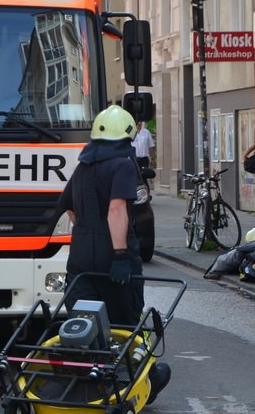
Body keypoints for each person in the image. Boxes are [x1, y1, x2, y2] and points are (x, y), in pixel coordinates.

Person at [58, 104, 171, 399]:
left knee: (85, 319)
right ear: (127, 138)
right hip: (113, 256)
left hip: (81, 257)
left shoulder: (83, 166)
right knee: (126, 319)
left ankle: (90, 378)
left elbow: (69, 208)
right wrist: (120, 256)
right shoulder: (122, 164)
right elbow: (117, 209)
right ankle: (145, 378)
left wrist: (87, 230)